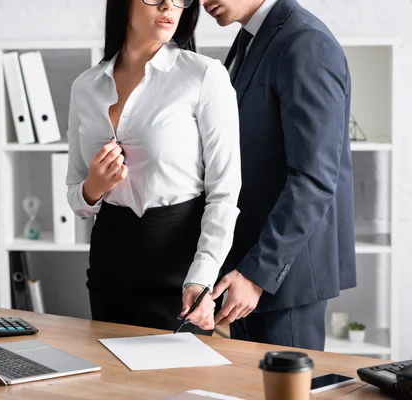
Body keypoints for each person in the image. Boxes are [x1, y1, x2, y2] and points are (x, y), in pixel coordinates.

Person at [65, 0, 241, 334]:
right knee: (110, 383)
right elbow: (76, 195)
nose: (168, 6)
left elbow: (225, 191)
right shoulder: (85, 87)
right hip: (108, 269)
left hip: (180, 272)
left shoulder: (204, 76)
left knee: (180, 383)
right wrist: (93, 188)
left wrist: (202, 278)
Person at [200, 0, 357, 350]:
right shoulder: (251, 37)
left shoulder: (306, 42)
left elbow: (314, 178)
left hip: (282, 278)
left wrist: (257, 273)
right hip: (247, 268)